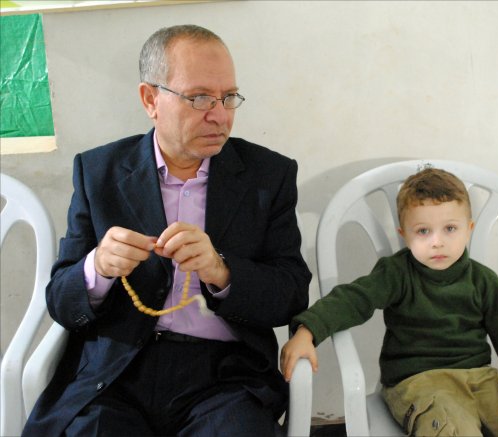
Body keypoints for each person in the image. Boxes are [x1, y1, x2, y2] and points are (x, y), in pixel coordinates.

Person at [23, 25, 311, 437]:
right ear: (150, 99)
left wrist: (222, 272)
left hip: (225, 376)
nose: (220, 115)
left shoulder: (268, 175)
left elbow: (291, 292)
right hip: (118, 371)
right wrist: (97, 268)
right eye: (199, 98)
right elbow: (61, 303)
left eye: (229, 97)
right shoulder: (99, 172)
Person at [280, 167, 498, 436]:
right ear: (404, 234)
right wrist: (309, 330)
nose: (437, 242)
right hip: (419, 382)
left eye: (450, 229)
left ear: (469, 229)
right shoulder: (396, 273)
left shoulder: (484, 281)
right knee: (452, 429)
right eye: (423, 231)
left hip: (481, 380)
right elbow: (353, 299)